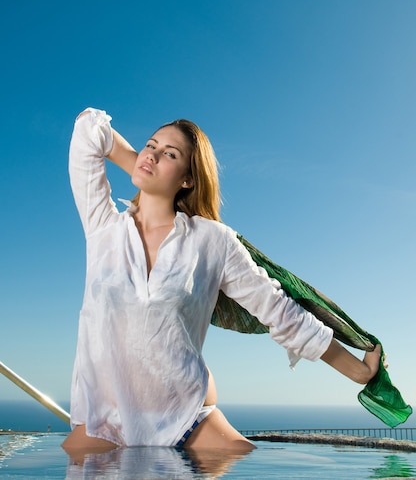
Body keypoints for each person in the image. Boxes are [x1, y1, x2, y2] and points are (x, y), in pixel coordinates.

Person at [62, 107, 381, 456]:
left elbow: (279, 311)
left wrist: (358, 372)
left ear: (189, 179)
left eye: (170, 153)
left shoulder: (213, 241)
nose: (151, 154)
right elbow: (88, 134)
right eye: (149, 145)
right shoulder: (103, 228)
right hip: (104, 425)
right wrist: (148, 167)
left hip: (189, 421)